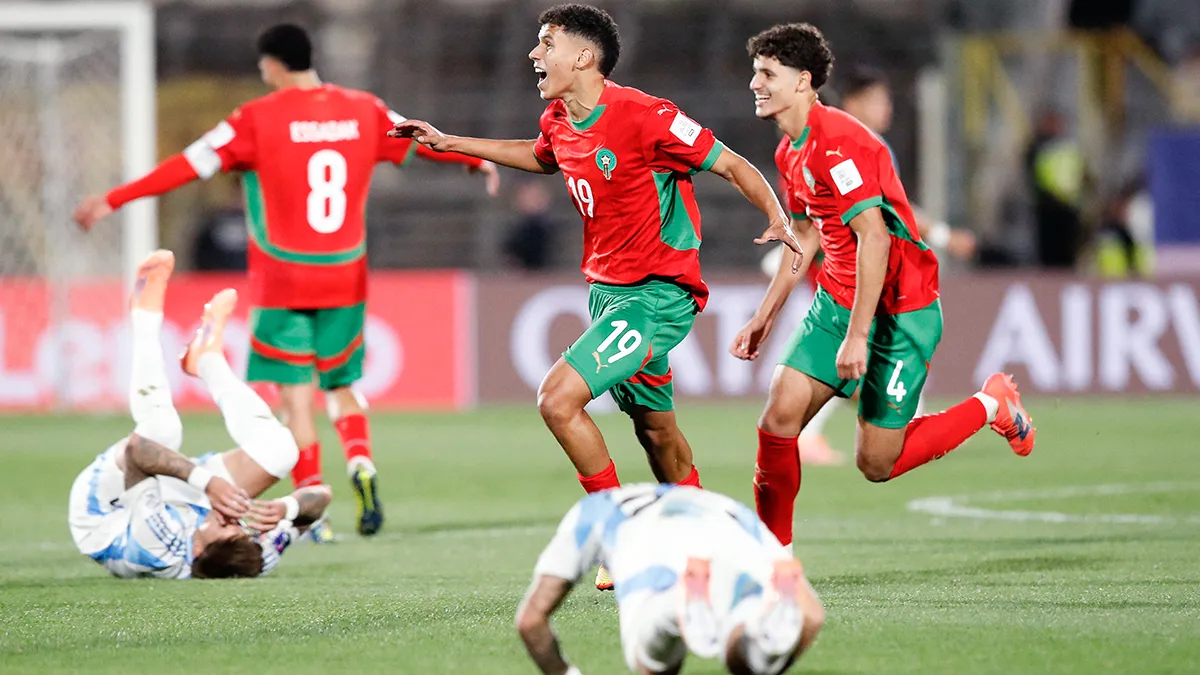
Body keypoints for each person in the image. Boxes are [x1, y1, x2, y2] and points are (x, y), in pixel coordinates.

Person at [390, 3, 802, 591]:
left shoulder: (646, 115)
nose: (536, 54)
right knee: (656, 433)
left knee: (557, 399)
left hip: (657, 296)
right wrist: (448, 142)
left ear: (584, 56)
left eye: (546, 43)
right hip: (608, 296)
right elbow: (540, 156)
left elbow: (732, 164)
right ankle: (710, 540)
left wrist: (776, 216)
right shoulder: (558, 118)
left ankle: (619, 537)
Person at [73, 24, 500, 541]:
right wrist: (475, 160)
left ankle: (311, 507)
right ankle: (360, 462)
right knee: (342, 386)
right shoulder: (363, 108)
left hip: (283, 277)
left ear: (272, 65)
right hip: (344, 272)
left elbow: (187, 166)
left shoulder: (254, 119)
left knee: (295, 398)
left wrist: (114, 199)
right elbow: (419, 138)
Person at [732, 23, 1036, 552]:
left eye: (766, 74)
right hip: (838, 301)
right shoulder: (789, 152)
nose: (755, 84)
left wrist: (857, 336)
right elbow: (803, 234)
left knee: (876, 463)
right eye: (755, 72)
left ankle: (991, 404)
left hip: (899, 311)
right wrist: (766, 314)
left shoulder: (839, 143)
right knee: (779, 418)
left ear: (803, 82)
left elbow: (875, 238)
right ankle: (771, 558)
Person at [68, 250, 331, 579]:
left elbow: (138, 452)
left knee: (161, 432)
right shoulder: (252, 555)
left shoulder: (157, 549)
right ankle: (205, 359)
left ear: (197, 550)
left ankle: (144, 316)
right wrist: (287, 509)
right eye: (241, 529)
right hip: (180, 505)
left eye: (225, 527)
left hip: (109, 506)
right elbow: (322, 498)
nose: (233, 520)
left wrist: (207, 483)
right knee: (282, 452)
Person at [775, 64, 979, 463]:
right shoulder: (850, 144)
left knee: (864, 362)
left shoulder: (837, 142)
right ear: (854, 102)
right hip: (857, 276)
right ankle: (815, 432)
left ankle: (916, 424)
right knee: (853, 356)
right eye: (879, 100)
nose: (888, 108)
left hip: (865, 274)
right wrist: (943, 237)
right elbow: (883, 215)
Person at [516, 483, 825, 675]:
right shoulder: (720, 505)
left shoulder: (595, 509)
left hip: (643, 540)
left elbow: (530, 621)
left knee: (651, 659)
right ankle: (759, 636)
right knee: (756, 647)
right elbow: (812, 616)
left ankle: (672, 610)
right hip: (726, 523)